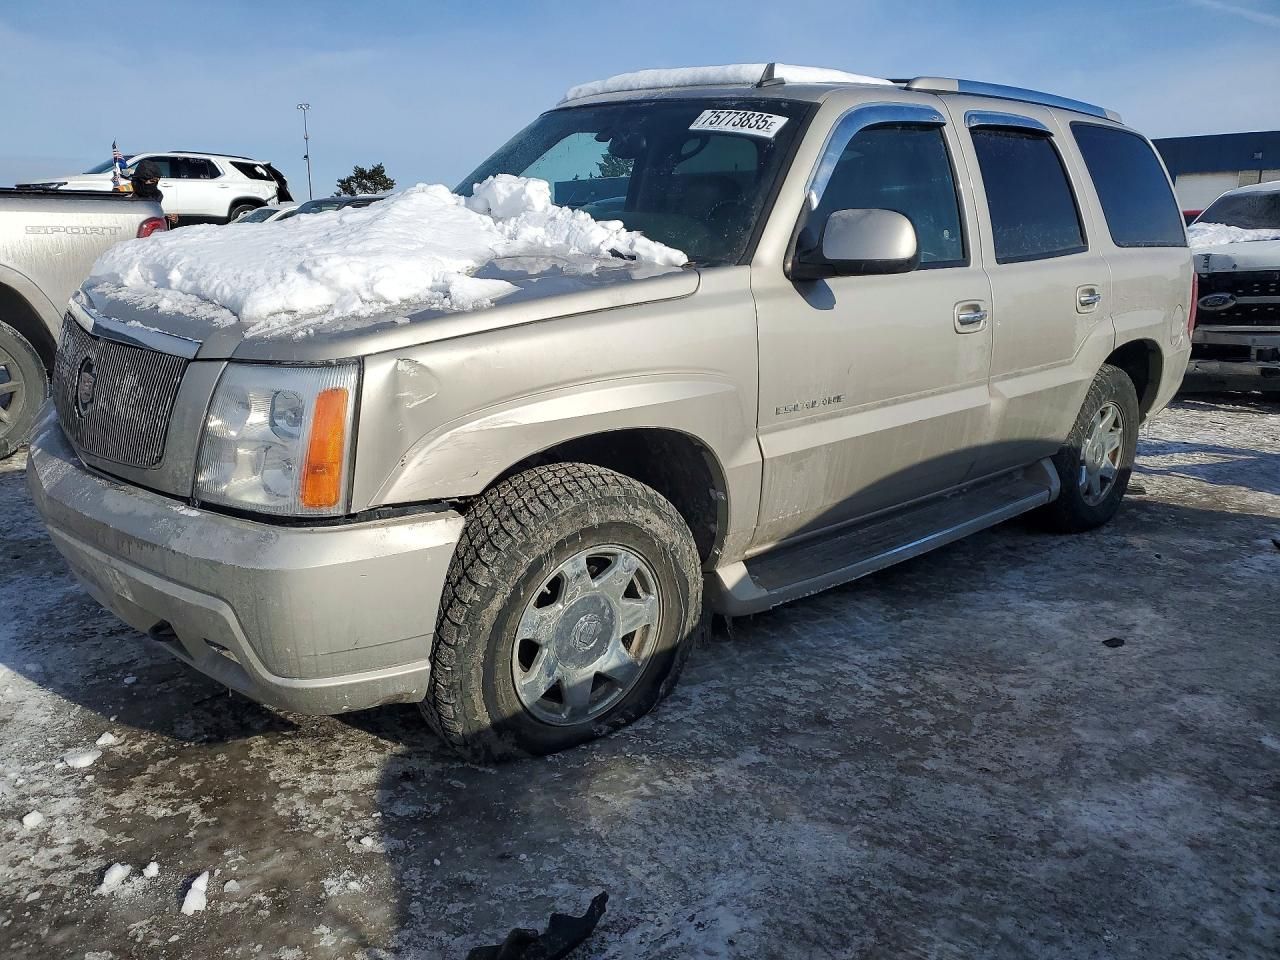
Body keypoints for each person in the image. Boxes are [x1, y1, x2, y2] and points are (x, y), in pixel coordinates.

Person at [129, 160, 180, 226]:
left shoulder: (157, 195)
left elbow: (155, 216)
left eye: (157, 181)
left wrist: (171, 219)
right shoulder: (125, 191)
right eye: (152, 181)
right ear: (142, 179)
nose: (154, 184)